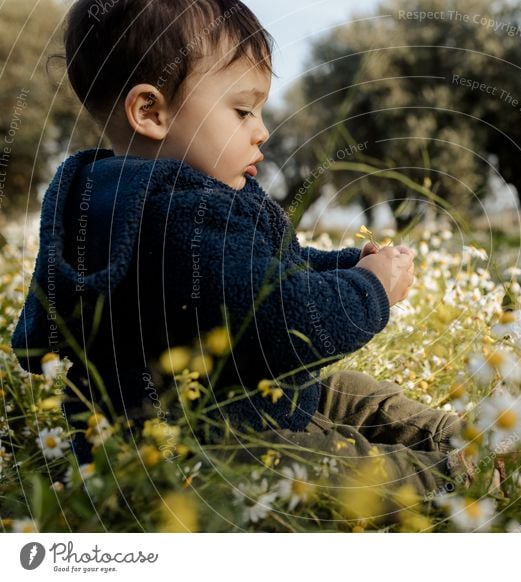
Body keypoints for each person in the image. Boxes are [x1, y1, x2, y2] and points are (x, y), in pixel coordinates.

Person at [11, 0, 475, 501]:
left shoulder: (105, 197)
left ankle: (464, 442)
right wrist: (371, 288)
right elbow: (281, 318)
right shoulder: (177, 213)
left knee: (350, 394)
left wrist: (350, 265)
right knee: (335, 470)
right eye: (242, 110)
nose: (263, 130)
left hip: (224, 411)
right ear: (151, 111)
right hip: (203, 454)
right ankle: (459, 478)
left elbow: (269, 274)